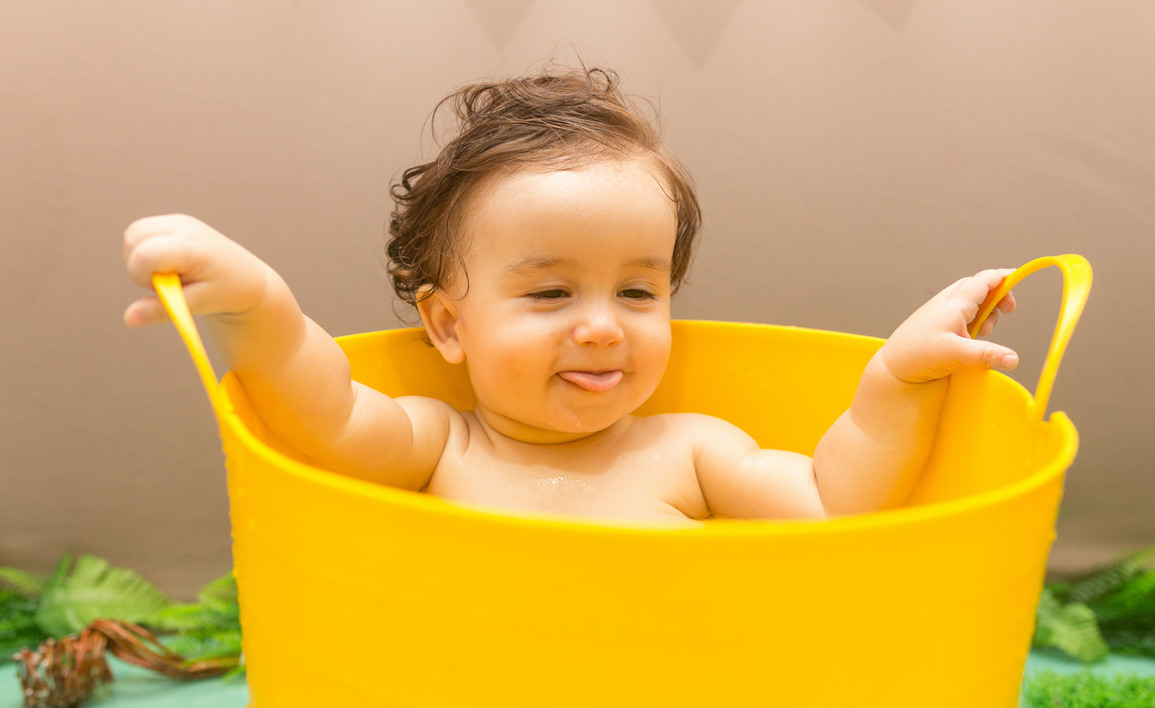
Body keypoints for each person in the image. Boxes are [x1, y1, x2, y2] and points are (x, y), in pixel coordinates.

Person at [123, 66, 1017, 521]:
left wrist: (897, 379)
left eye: (638, 291)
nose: (601, 328)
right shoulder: (442, 448)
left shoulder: (693, 454)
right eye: (550, 294)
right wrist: (260, 308)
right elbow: (323, 415)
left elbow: (833, 500)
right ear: (447, 324)